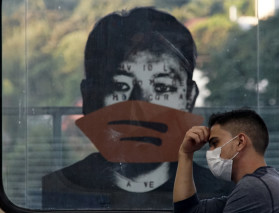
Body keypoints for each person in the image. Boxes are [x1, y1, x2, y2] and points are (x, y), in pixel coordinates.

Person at [42, 7, 234, 210]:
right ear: (89, 97)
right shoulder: (62, 188)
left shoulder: (217, 193)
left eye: (162, 88)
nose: (140, 111)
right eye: (119, 86)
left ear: (189, 98)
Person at [173, 109, 279, 212]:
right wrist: (186, 154)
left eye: (215, 143)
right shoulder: (263, 183)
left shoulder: (253, 188)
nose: (210, 152)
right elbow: (189, 210)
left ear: (240, 142)